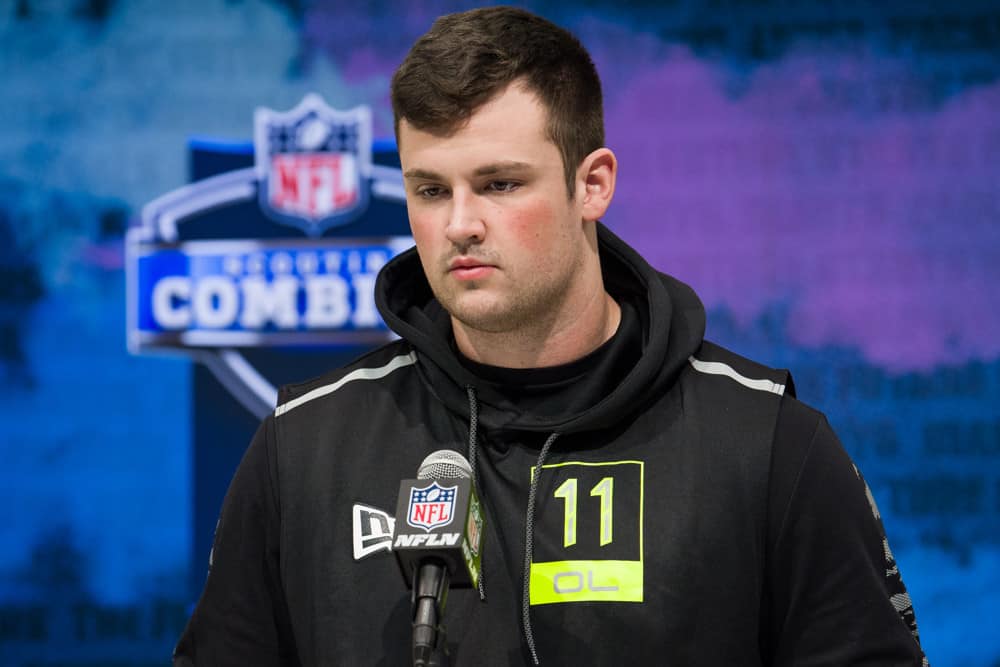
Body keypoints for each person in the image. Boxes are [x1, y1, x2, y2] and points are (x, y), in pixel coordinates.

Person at [173, 6, 928, 666]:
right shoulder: (304, 447)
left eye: (500, 183)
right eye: (430, 189)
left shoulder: (764, 446)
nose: (459, 223)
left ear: (592, 184)